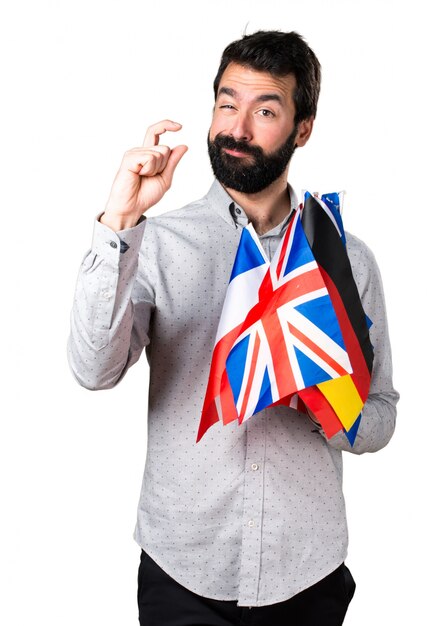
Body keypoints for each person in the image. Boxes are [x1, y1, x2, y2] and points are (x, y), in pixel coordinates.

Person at [68, 30, 399, 626]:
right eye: (227, 103)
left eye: (265, 110)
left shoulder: (344, 258)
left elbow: (379, 417)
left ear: (303, 129)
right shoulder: (157, 242)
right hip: (182, 572)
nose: (237, 128)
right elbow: (94, 370)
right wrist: (119, 220)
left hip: (308, 576)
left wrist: (324, 402)